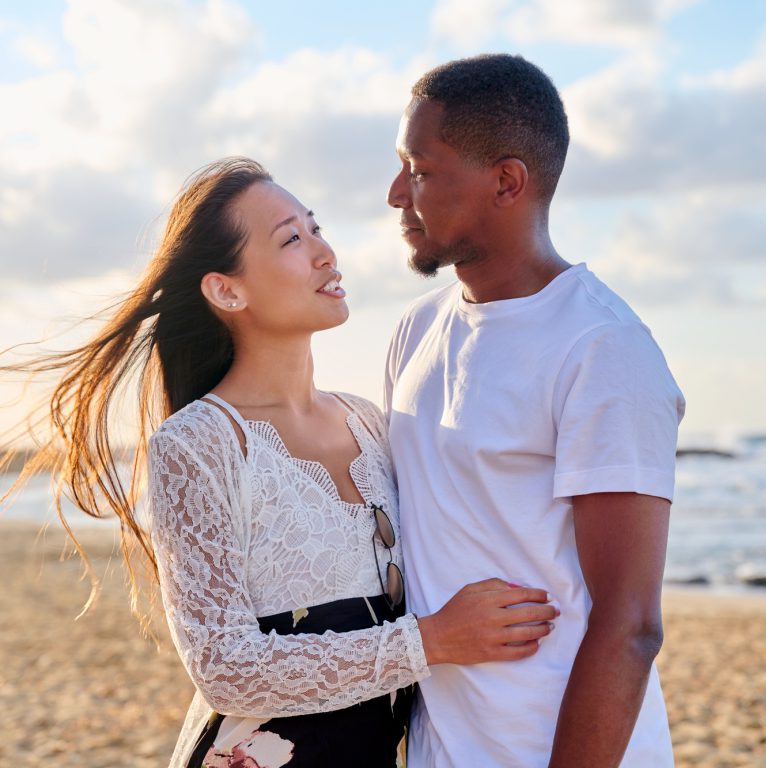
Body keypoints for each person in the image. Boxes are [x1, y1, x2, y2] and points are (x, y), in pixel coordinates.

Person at [1, 157, 559, 768]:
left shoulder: (370, 422)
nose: (324, 253)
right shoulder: (198, 444)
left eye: (316, 228)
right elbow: (225, 669)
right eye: (292, 239)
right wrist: (433, 640)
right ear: (227, 290)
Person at [385, 54, 686, 767]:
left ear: (507, 182)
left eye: (420, 171)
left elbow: (631, 625)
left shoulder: (603, 347)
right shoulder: (416, 331)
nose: (397, 194)